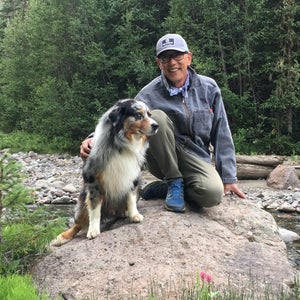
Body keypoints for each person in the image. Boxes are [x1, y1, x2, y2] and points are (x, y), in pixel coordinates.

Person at [80, 33, 247, 213]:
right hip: (162, 159)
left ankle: (164, 188)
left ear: (189, 57)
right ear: (159, 63)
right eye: (165, 57)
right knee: (156, 118)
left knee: (212, 195)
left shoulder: (209, 88)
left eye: (177, 55)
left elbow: (221, 132)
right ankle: (174, 181)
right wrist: (92, 139)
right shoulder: (148, 94)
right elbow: (120, 118)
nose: (172, 62)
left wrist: (228, 179)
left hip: (196, 158)